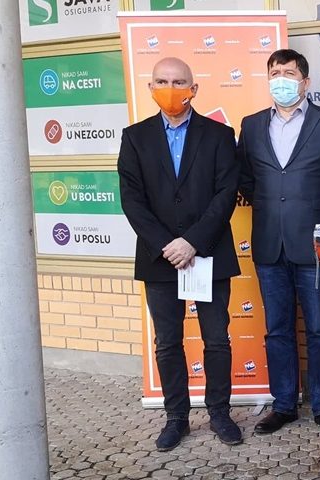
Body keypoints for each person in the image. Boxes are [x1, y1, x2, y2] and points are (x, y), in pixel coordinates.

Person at [118, 57, 242, 451]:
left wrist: (192, 242)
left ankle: (219, 413)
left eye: (178, 82)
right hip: (159, 258)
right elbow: (132, 200)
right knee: (168, 343)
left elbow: (226, 194)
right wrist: (166, 244)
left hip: (207, 252)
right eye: (161, 81)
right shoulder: (135, 137)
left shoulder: (220, 135)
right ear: (150, 87)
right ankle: (176, 418)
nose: (170, 89)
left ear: (193, 88)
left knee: (216, 339)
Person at [237, 49, 320, 436]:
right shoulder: (252, 125)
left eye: (289, 73)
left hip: (316, 245)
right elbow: (244, 177)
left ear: (305, 81)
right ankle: (284, 404)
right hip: (270, 243)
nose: (280, 79)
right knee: (278, 329)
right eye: (274, 73)